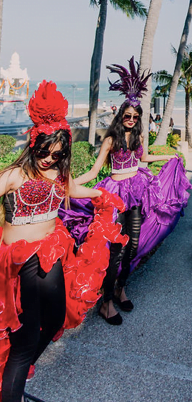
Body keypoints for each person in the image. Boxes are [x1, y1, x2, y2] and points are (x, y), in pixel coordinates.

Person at [0, 81, 125, 402]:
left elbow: (73, 189)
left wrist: (101, 193)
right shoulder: (15, 174)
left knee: (55, 320)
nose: (48, 158)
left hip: (52, 251)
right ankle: (12, 387)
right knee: (25, 338)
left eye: (56, 154)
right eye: (43, 151)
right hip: (20, 261)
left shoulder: (58, 173)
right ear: (33, 144)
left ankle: (15, 377)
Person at [60, 57, 192, 325]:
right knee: (115, 251)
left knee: (132, 247)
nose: (131, 120)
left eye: (135, 116)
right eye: (127, 116)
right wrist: (70, 186)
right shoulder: (111, 139)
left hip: (138, 191)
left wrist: (168, 157)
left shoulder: (139, 137)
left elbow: (142, 160)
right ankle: (106, 302)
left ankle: (121, 288)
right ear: (121, 116)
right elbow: (96, 171)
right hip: (116, 195)